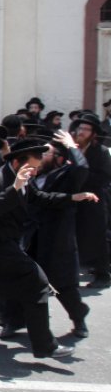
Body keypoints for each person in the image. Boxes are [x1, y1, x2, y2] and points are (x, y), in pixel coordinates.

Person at [0, 138, 97, 360]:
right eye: (32, 166)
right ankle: (45, 346)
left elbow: (41, 198)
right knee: (38, 285)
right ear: (17, 163)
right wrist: (15, 188)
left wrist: (74, 197)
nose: (35, 171)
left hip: (2, 249)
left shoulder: (25, 178)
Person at [24, 132, 91, 338]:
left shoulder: (66, 176)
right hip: (33, 237)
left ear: (58, 158)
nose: (41, 156)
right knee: (23, 281)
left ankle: (78, 318)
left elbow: (81, 168)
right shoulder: (35, 175)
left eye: (46, 153)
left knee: (63, 285)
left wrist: (72, 146)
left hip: (57, 238)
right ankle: (12, 321)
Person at [73, 113, 111, 288]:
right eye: (80, 128)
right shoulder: (73, 149)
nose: (81, 132)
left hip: (94, 200)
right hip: (75, 199)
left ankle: (103, 274)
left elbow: (104, 177)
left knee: (97, 237)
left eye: (86, 129)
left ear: (93, 133)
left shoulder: (100, 152)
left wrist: (82, 173)